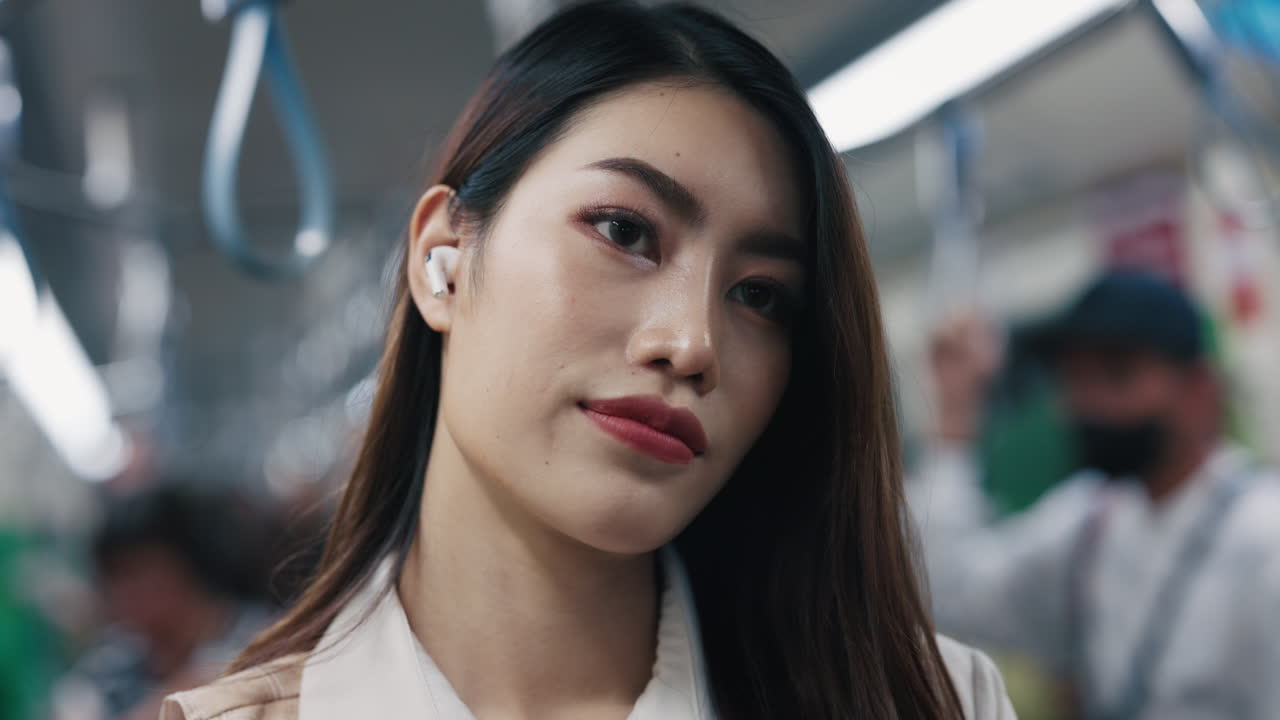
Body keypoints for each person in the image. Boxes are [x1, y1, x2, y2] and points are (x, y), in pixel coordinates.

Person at [163, 3, 1015, 718]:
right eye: (624, 231)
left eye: (760, 296)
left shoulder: (929, 702)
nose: (691, 344)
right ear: (442, 261)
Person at [912, 268, 1280, 719]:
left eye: (1116, 374)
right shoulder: (1089, 521)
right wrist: (954, 414)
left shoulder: (1262, 537)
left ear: (1198, 390)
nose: (1088, 402)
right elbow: (951, 594)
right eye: (1075, 378)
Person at [55, 485, 271, 720]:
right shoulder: (106, 671)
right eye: (113, 576)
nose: (123, 592)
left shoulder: (269, 641)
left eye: (137, 572)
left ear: (188, 564)